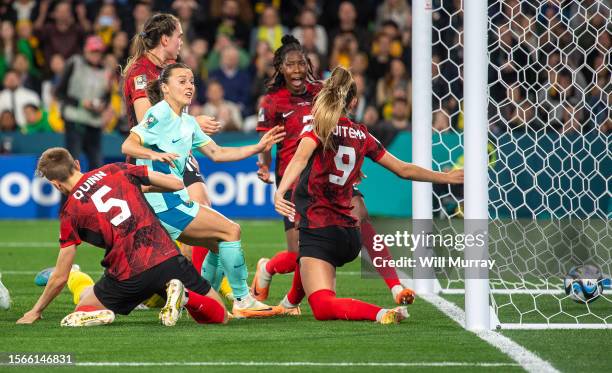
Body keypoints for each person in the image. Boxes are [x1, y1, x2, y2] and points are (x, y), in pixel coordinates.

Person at [274, 67, 464, 323]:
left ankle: (381, 313)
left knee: (321, 304)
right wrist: (446, 177)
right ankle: (288, 303)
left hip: (320, 232)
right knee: (320, 246)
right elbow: (404, 170)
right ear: (354, 102)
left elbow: (299, 158)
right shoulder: (362, 134)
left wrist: (281, 190)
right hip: (350, 238)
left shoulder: (319, 129)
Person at [252, 35, 416, 314]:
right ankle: (270, 272)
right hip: (295, 179)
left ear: (308, 65)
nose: (297, 69)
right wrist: (264, 164)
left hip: (328, 176)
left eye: (301, 63)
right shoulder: (271, 102)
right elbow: (268, 140)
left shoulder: (322, 91)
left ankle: (395, 285)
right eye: (290, 65)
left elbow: (343, 116)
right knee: (297, 254)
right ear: (279, 68)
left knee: (360, 213)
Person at [121, 63, 285, 318]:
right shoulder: (159, 113)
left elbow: (217, 153)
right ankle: (242, 300)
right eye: (182, 81)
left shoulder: (187, 121)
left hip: (174, 199)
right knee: (231, 230)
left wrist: (257, 147)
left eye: (191, 81)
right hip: (161, 202)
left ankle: (199, 301)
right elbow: (128, 146)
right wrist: (155, 154)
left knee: (219, 244)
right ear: (165, 88)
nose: (189, 86)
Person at [16, 147, 228, 327]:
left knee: (84, 306)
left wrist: (35, 311)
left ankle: (103, 312)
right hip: (166, 258)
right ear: (78, 165)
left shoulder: (69, 214)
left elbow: (60, 276)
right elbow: (175, 184)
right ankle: (186, 297)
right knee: (219, 314)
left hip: (126, 276)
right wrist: (138, 188)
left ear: (55, 184)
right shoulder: (116, 169)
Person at [122, 12, 218, 265]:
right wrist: (193, 121)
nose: (181, 42)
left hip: (179, 152)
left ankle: (191, 287)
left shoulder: (169, 70)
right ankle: (176, 286)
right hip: (152, 157)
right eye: (179, 37)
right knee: (154, 230)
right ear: (165, 39)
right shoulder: (140, 72)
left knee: (200, 208)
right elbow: (146, 122)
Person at [55, 35, 110, 171]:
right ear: (86, 50)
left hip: (94, 123)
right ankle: (68, 192)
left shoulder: (106, 71)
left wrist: (103, 105)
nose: (96, 55)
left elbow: (106, 97)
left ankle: (94, 192)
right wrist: (80, 103)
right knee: (72, 163)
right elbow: (59, 92)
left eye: (98, 52)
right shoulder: (74, 63)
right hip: (74, 121)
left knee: (97, 164)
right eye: (93, 51)